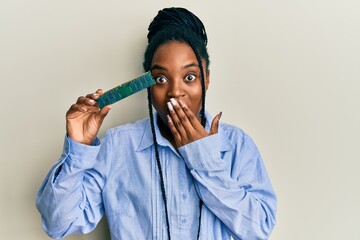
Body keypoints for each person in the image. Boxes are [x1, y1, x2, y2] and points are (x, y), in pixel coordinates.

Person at [36, 7, 277, 240]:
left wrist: (203, 160)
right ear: (148, 86)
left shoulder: (236, 145)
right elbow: (59, 225)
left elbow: (258, 229)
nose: (175, 92)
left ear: (207, 80)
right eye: (161, 78)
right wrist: (78, 148)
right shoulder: (118, 146)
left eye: (190, 77)